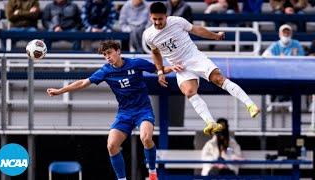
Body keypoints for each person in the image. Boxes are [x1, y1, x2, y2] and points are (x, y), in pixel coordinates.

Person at [47, 40, 175, 180]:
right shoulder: (106, 71)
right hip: (124, 113)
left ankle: (152, 173)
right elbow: (83, 82)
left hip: (143, 110)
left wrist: (174, 68)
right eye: (104, 55)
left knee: (145, 138)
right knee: (112, 145)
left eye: (109, 53)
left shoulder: (136, 63)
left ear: (118, 51)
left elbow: (159, 69)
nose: (107, 57)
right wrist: (60, 91)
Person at [143, 2, 260, 136]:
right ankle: (211, 122)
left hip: (194, 57)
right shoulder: (148, 35)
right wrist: (160, 72)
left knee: (218, 79)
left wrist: (215, 35)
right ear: (150, 17)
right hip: (180, 66)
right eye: (154, 19)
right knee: (189, 91)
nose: (157, 22)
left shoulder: (177, 22)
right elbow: (156, 53)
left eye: (160, 19)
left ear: (166, 16)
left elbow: (197, 30)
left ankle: (250, 104)